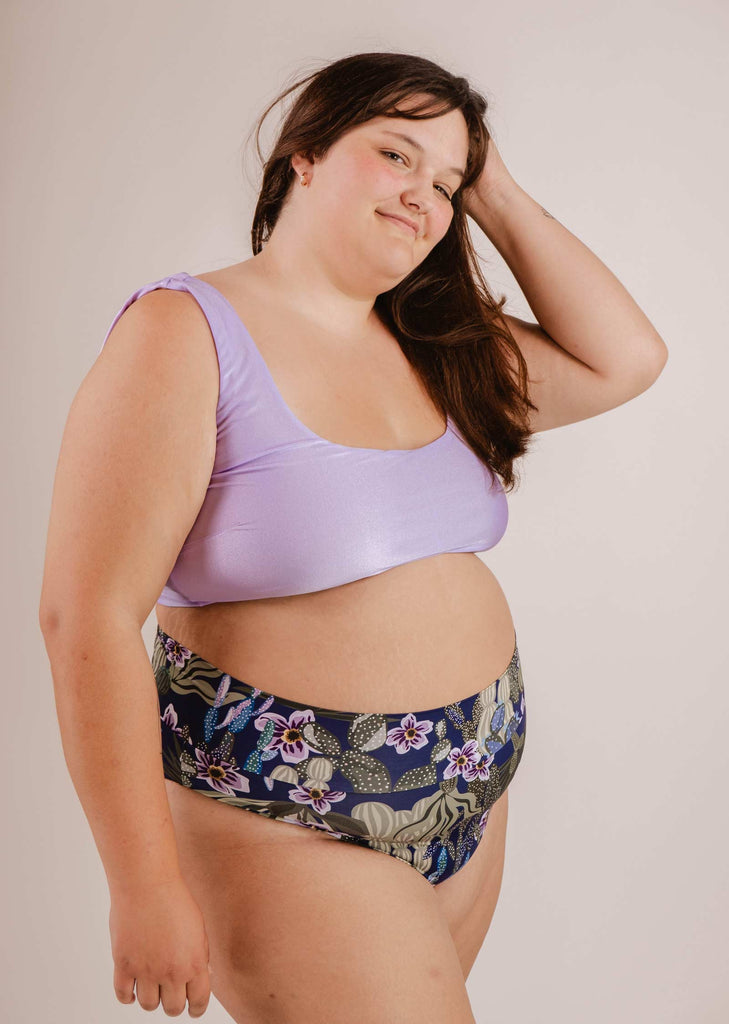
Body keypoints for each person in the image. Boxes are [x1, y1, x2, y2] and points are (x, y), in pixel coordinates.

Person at [39, 51, 667, 1024]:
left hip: (472, 779)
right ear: (307, 152)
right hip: (285, 809)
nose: (425, 195)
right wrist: (142, 882)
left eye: (447, 182)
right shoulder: (187, 330)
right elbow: (84, 615)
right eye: (397, 154)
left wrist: (489, 181)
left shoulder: (438, 347)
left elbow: (626, 358)